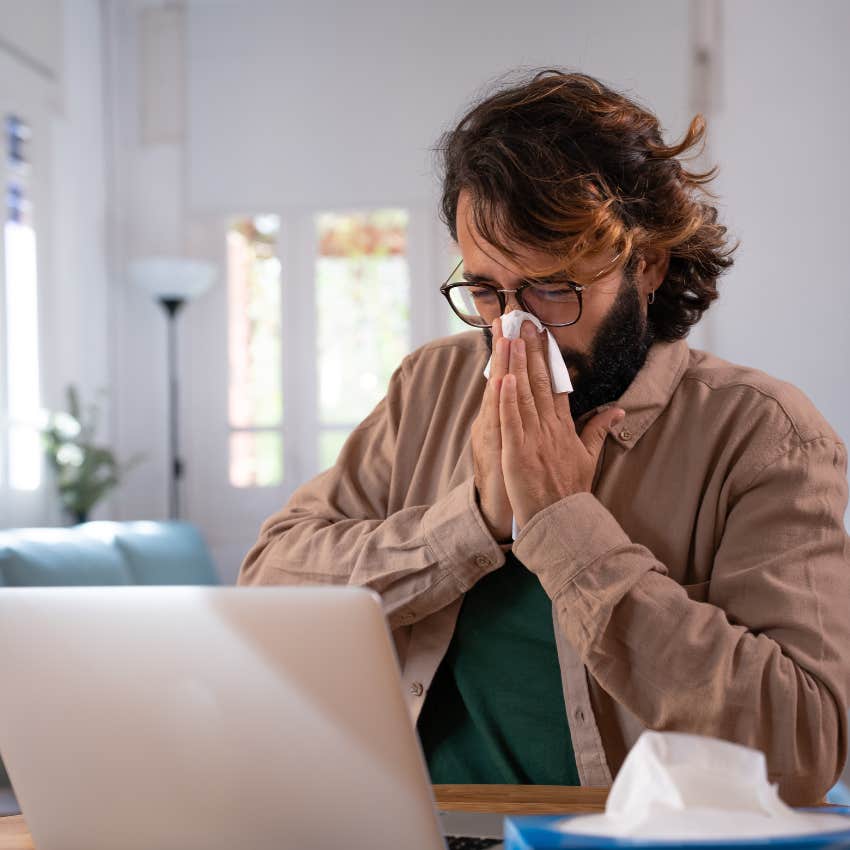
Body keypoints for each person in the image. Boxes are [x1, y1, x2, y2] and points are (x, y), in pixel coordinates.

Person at [238, 70, 850, 804]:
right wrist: (475, 523)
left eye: (553, 290)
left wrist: (566, 526)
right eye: (488, 292)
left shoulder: (763, 433)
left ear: (647, 264)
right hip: (421, 823)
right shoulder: (430, 386)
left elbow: (805, 747)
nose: (512, 333)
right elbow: (272, 584)